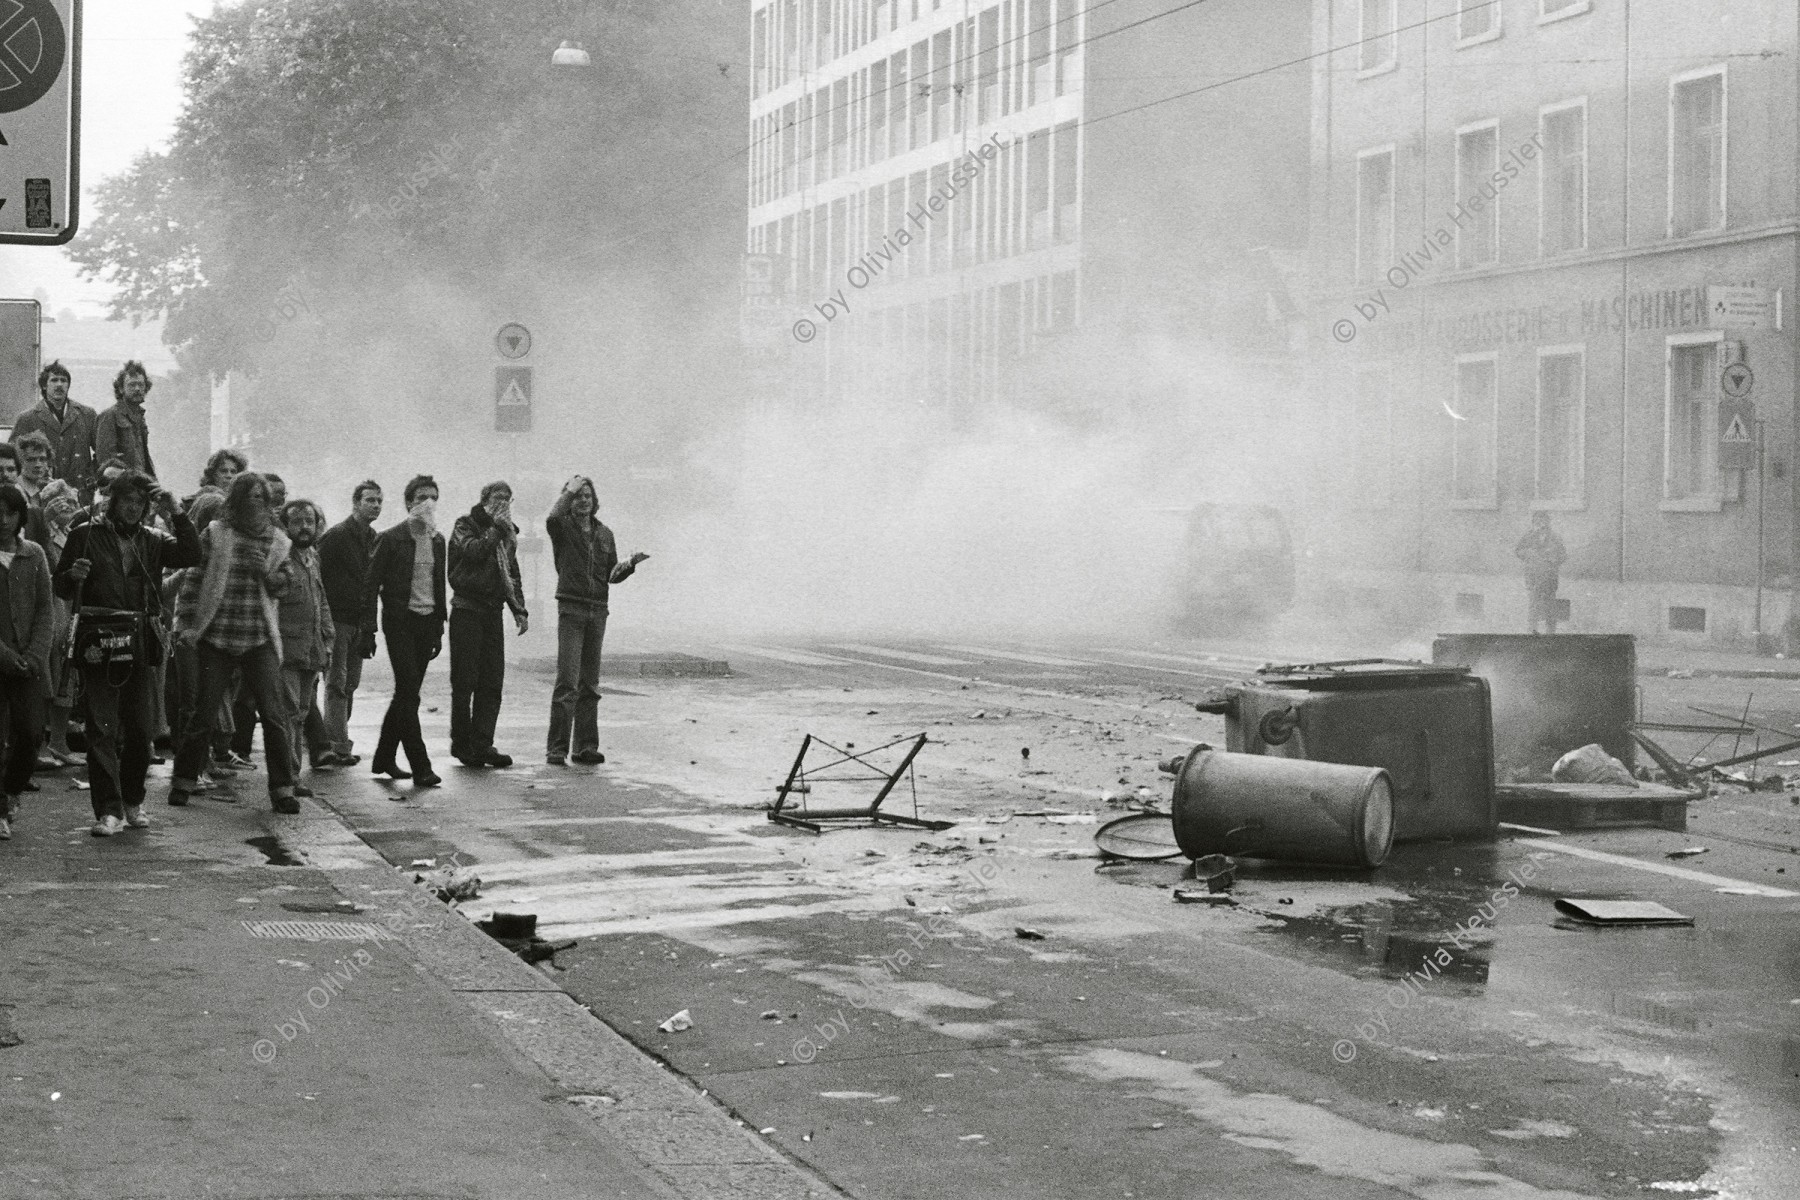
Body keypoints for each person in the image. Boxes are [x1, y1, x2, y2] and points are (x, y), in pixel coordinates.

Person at [55, 471, 200, 836]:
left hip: (139, 640)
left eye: (140, 503)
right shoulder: (84, 534)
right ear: (113, 501)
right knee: (100, 728)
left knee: (141, 729)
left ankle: (132, 800)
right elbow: (59, 586)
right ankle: (108, 810)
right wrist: (74, 573)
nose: (133, 509)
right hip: (96, 639)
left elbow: (192, 553)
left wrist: (175, 511)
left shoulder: (153, 540)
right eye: (127, 501)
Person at [168, 473, 299, 812]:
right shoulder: (216, 534)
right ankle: (183, 780)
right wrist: (186, 624)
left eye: (262, 497)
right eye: (250, 497)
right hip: (219, 634)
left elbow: (286, 583)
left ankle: (283, 788)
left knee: (274, 714)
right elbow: (194, 578)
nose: (256, 503)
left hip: (259, 636)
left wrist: (268, 574)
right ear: (237, 501)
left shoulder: (279, 540)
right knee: (204, 712)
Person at [544, 475, 647, 766]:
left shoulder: (605, 534)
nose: (583, 500)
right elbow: (552, 517)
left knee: (590, 683)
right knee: (567, 682)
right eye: (578, 496)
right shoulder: (562, 527)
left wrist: (628, 566)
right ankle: (557, 748)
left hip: (598, 609)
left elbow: (610, 575)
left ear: (595, 500)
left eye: (587, 495)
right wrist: (568, 489)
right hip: (572, 608)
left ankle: (586, 746)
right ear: (570, 500)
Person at [361, 475, 445, 787]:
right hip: (399, 621)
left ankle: (384, 757)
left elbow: (438, 586)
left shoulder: (438, 540)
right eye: (422, 497)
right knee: (409, 693)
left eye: (433, 498)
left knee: (406, 694)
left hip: (426, 622)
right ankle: (421, 765)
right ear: (409, 502)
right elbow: (370, 586)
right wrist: (367, 629)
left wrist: (439, 628)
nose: (428, 503)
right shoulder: (390, 538)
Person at [448, 481, 528, 767]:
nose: (503, 502)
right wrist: (497, 529)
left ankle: (483, 743)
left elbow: (511, 572)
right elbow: (473, 552)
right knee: (465, 681)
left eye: (508, 498)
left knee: (492, 682)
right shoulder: (466, 524)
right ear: (484, 499)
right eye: (498, 497)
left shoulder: (508, 533)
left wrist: (519, 609)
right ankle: (462, 744)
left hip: (492, 611)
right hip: (467, 610)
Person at [0, 486, 54, 841]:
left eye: (10, 513)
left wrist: (34, 655)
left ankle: (11, 791)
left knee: (32, 732)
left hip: (29, 665)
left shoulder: (33, 554)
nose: (3, 521)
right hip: (2, 657)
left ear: (21, 516)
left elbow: (45, 610)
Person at [317, 480, 382, 767]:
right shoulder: (337, 536)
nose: (376, 505)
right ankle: (335, 745)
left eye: (379, 501)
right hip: (338, 619)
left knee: (349, 683)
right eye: (370, 500)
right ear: (356, 503)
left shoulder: (373, 537)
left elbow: (372, 584)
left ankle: (337, 741)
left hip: (359, 621)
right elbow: (318, 577)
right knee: (337, 683)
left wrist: (370, 626)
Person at [275, 500, 333, 798]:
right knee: (288, 714)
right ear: (285, 525)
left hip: (312, 650)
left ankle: (292, 775)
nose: (304, 527)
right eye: (297, 521)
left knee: (300, 712)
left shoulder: (312, 557)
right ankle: (289, 776)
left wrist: (328, 636)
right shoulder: (280, 556)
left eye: (309, 520)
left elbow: (320, 600)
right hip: (287, 650)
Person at [30, 480, 81, 765]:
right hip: (50, 610)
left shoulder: (71, 533)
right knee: (46, 679)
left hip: (67, 612)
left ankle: (59, 743)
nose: (70, 507)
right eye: (64, 502)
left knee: (66, 677)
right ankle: (39, 746)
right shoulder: (43, 533)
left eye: (73, 502)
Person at [11, 362, 98, 497]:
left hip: (80, 490)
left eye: (63, 380)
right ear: (44, 385)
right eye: (54, 380)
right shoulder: (27, 418)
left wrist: (90, 474)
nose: (59, 384)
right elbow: (13, 456)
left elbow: (102, 450)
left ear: (68, 385)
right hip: (42, 492)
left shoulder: (87, 414)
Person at [93, 361, 156, 481]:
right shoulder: (109, 416)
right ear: (121, 389)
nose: (137, 389)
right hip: (120, 491)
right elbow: (106, 463)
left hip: (141, 489)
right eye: (132, 385)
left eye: (141, 385)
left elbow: (142, 459)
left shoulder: (139, 418)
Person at [1516, 512, 1568, 635]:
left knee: (1550, 605)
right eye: (1537, 522)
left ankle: (1551, 633)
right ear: (1533, 523)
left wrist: (1554, 559)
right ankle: (1532, 632)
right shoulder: (1528, 537)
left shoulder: (1554, 537)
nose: (1541, 525)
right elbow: (1518, 551)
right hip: (1533, 577)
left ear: (1548, 523)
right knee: (1533, 604)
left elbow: (1563, 555)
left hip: (1549, 576)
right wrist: (1528, 554)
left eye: (1544, 522)